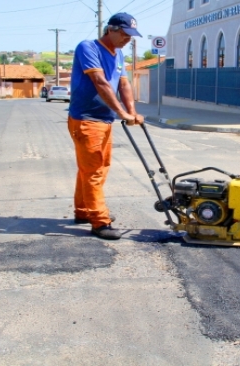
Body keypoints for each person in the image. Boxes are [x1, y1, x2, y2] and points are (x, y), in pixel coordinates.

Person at [68, 12, 144, 240]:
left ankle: (84, 211)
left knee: (95, 167)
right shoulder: (88, 47)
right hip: (86, 118)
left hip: (104, 119)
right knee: (94, 170)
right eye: (124, 33)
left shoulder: (119, 54)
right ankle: (100, 221)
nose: (127, 39)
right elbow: (100, 82)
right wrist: (121, 112)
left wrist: (131, 112)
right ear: (110, 29)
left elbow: (124, 84)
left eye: (131, 36)